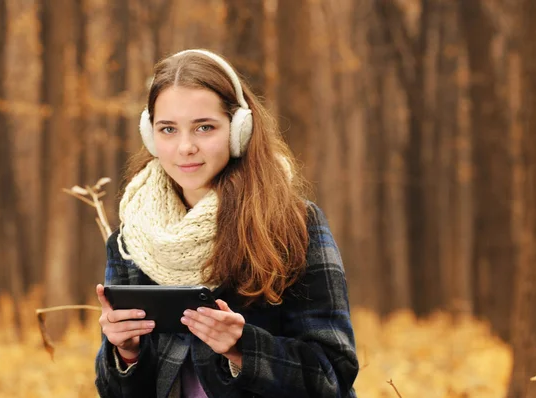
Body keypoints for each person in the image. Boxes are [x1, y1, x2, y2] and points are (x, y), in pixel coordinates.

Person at [94, 49, 359, 398]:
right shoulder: (132, 239)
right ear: (149, 135)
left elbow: (333, 377)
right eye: (168, 129)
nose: (185, 147)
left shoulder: (294, 225)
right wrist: (125, 353)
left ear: (239, 130)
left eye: (205, 127)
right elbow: (116, 393)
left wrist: (243, 347)